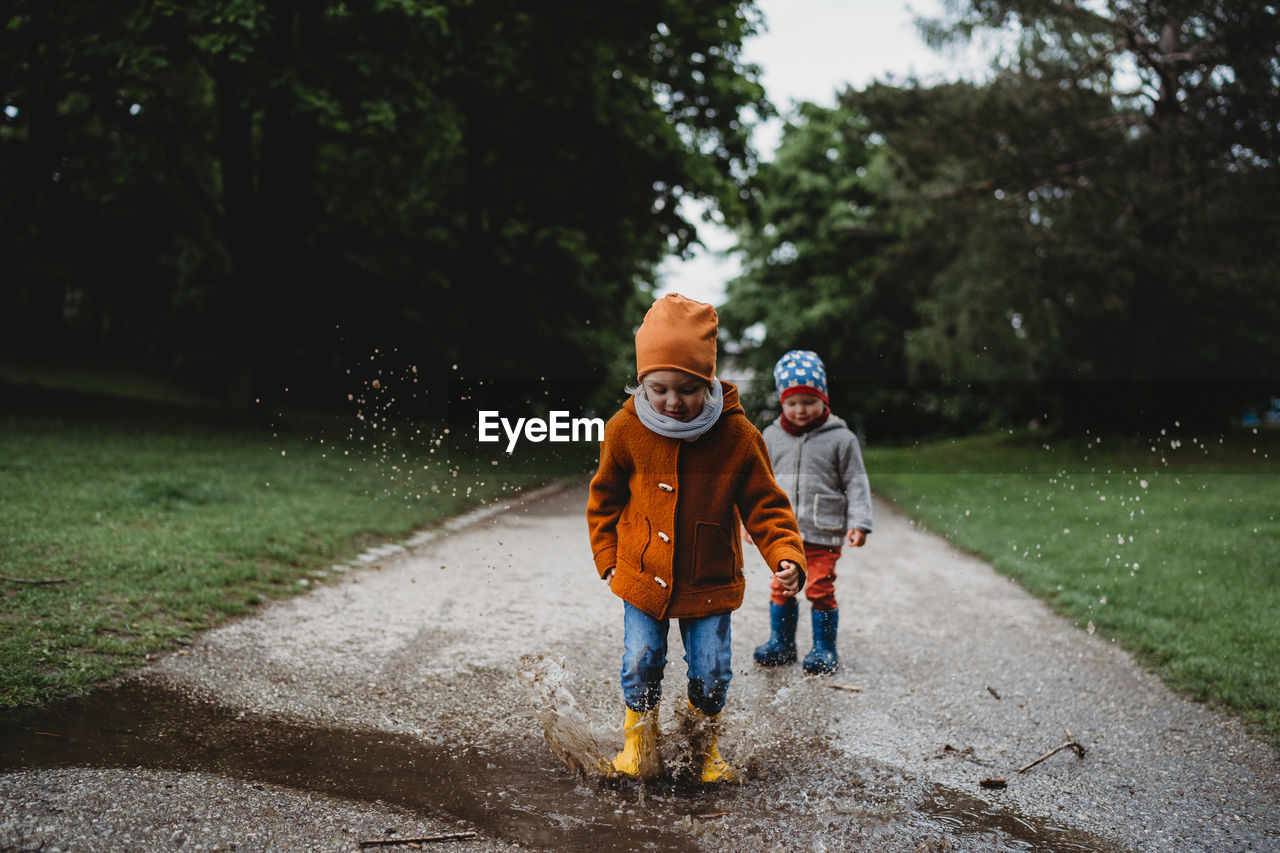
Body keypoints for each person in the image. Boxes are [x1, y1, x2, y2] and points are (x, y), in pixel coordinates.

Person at [586, 293, 807, 782]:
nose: (672, 401)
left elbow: (765, 505)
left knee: (711, 672)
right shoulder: (625, 428)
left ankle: (704, 750)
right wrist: (608, 559)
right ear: (642, 382)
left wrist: (785, 552)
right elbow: (603, 499)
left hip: (709, 579)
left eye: (686, 389)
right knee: (641, 661)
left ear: (707, 381)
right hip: (643, 575)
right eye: (659, 388)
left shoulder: (738, 436)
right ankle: (637, 744)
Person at [752, 349, 872, 675]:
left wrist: (859, 521)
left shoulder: (841, 439)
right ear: (782, 402)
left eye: (808, 401)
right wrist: (751, 523)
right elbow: (759, 485)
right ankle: (782, 643)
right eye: (792, 403)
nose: (800, 410)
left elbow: (856, 483)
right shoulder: (771, 437)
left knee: (820, 587)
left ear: (823, 399)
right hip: (783, 533)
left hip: (824, 531)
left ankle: (824, 648)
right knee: (781, 585)